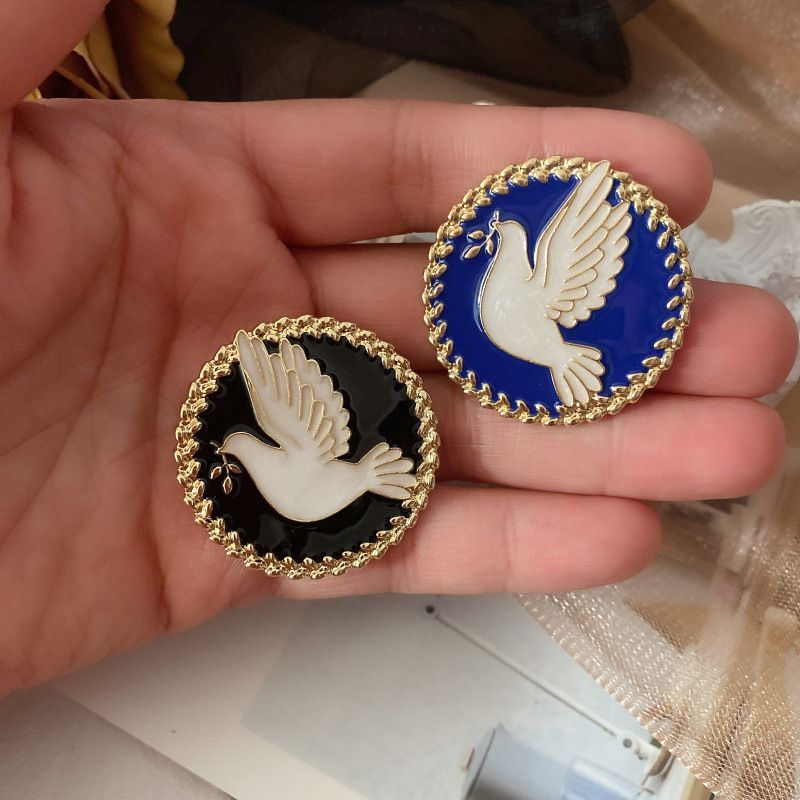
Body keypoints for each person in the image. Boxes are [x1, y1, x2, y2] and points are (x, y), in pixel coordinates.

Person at [0, 0, 796, 698]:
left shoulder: (527, 271)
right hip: (376, 463)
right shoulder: (249, 446)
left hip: (527, 370)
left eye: (499, 239)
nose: (492, 244)